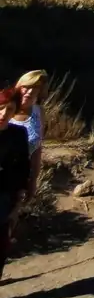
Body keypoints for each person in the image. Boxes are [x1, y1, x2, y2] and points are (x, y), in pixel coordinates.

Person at [0, 87, 31, 281]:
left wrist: (20, 196)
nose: (4, 113)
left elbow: (23, 167)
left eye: (9, 109)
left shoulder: (18, 134)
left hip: (5, 196)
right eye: (1, 107)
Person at [10, 71, 46, 199]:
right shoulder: (4, 107)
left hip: (20, 178)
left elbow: (37, 147)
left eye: (35, 88)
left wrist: (33, 180)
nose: (30, 92)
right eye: (27, 87)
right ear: (19, 86)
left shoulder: (39, 111)